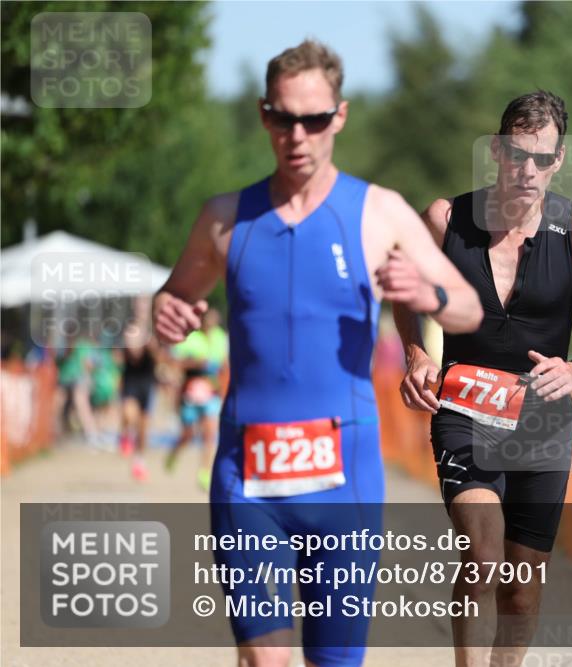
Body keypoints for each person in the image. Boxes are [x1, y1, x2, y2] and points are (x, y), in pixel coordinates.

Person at [153, 40, 482, 667]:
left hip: (344, 477)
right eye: (283, 118)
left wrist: (428, 292)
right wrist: (163, 311)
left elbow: (466, 306)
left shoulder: (379, 213)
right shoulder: (224, 219)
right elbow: (174, 299)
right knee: (265, 660)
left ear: (340, 116)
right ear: (263, 115)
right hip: (247, 477)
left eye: (313, 119)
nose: (297, 135)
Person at [393, 90, 572, 667]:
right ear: (497, 152)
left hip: (542, 423)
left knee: (521, 589)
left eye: (543, 159)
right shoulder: (446, 219)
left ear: (559, 161)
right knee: (482, 554)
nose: (529, 171)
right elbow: (404, 292)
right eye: (518, 155)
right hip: (465, 411)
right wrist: (416, 356)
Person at [164, 311, 222, 491]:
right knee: (188, 434)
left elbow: (225, 365)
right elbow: (174, 362)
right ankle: (174, 453)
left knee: (209, 434)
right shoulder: (191, 339)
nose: (210, 325)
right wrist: (195, 363)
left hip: (211, 392)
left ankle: (204, 472)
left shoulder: (221, 338)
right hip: (190, 391)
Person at [119, 295, 160, 481]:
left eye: (144, 305)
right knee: (129, 414)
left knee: (144, 428)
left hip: (148, 381)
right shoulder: (130, 329)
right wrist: (140, 345)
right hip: (131, 380)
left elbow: (160, 357)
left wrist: (152, 347)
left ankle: (139, 461)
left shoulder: (156, 329)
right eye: (138, 305)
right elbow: (133, 355)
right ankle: (126, 434)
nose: (141, 308)